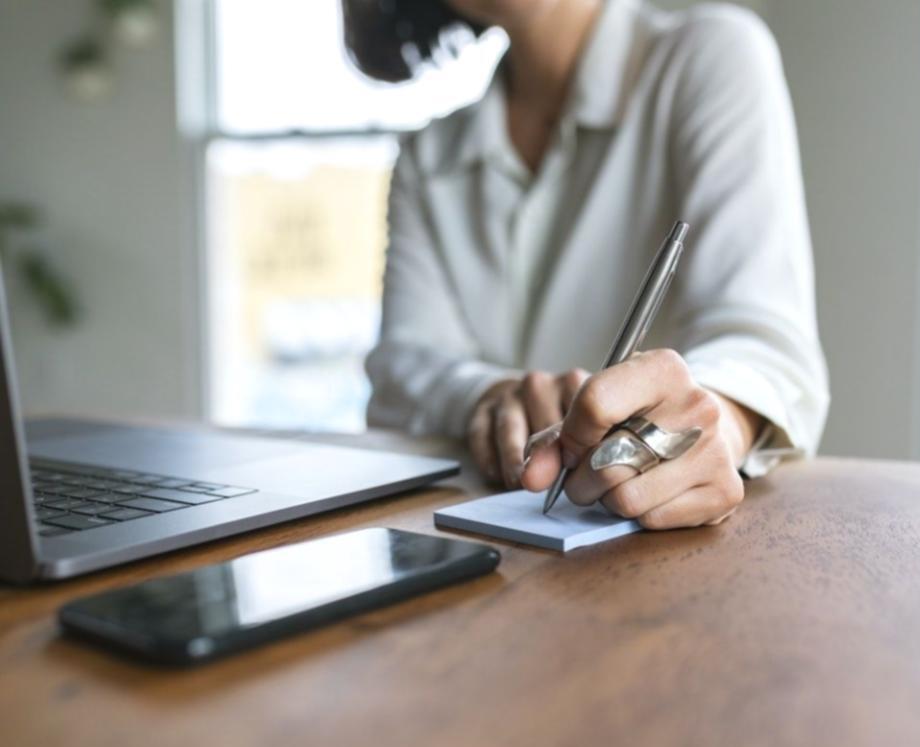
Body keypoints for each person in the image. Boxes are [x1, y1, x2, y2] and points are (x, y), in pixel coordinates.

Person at [344, 0, 829, 530]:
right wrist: (486, 396)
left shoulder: (709, 56)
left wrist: (711, 423)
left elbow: (765, 346)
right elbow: (400, 374)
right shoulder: (428, 156)